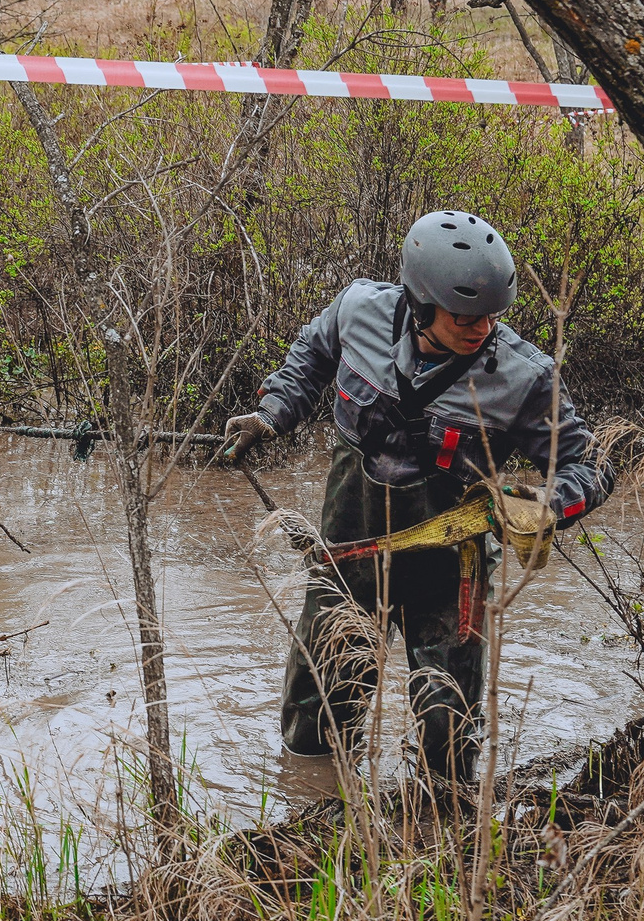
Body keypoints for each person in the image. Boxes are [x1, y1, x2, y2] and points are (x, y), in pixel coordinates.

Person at [223, 210, 609, 785]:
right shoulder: (359, 310)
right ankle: (313, 817)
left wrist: (548, 505)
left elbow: (594, 465)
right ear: (420, 302)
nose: (481, 329)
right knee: (314, 723)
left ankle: (438, 843)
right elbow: (311, 356)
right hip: (348, 555)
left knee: (448, 736)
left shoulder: (526, 378)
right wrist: (271, 414)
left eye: (491, 316)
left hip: (450, 572)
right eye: (464, 317)